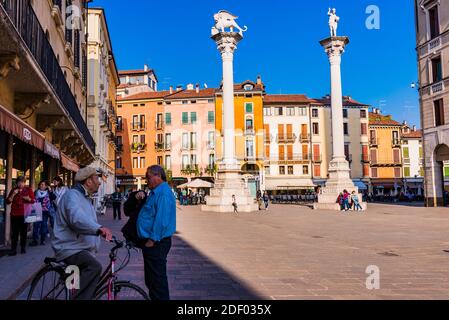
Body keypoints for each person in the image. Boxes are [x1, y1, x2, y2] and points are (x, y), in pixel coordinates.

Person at [52, 167, 113, 300]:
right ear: (88, 181)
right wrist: (99, 228)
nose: (99, 182)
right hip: (69, 248)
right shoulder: (72, 195)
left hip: (80, 249)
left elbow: (86, 221)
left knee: (74, 285)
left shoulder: (85, 198)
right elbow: (77, 218)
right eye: (96, 178)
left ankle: (73, 295)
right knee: (94, 267)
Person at [134, 165, 176, 300]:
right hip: (154, 243)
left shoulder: (162, 193)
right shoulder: (156, 192)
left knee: (157, 282)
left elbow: (161, 220)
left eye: (148, 177)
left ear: (157, 176)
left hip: (156, 243)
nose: (147, 180)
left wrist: (151, 240)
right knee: (152, 281)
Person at [6, 176, 35, 255]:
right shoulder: (13, 190)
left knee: (23, 232)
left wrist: (28, 199)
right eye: (19, 182)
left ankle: (23, 248)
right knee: (14, 233)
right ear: (17, 183)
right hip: (14, 214)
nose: (21, 184)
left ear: (25, 183)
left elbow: (33, 201)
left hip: (25, 214)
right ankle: (13, 249)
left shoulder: (28, 190)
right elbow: (8, 202)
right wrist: (13, 194)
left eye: (22, 182)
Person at [30, 181, 55, 246]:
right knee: (36, 226)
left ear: (46, 186)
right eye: (40, 184)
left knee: (44, 226)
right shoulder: (36, 192)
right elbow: (32, 199)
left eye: (43, 185)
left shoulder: (48, 193)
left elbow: (54, 197)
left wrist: (50, 190)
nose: (41, 185)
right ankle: (35, 240)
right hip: (37, 210)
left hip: (45, 211)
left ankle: (42, 240)